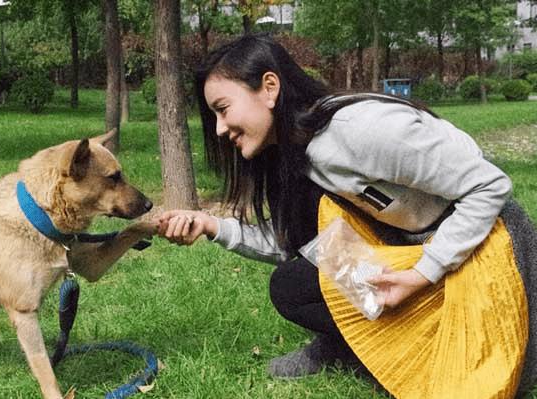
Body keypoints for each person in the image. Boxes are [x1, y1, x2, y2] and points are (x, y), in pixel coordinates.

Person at [156, 33, 537, 398]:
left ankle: (383, 343)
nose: (220, 129)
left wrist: (423, 274)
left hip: (490, 245)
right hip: (410, 244)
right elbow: (297, 240)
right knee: (293, 286)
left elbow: (489, 186)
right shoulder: (296, 151)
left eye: (223, 109)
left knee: (487, 377)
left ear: (269, 88)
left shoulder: (362, 131)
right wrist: (212, 226)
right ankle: (352, 345)